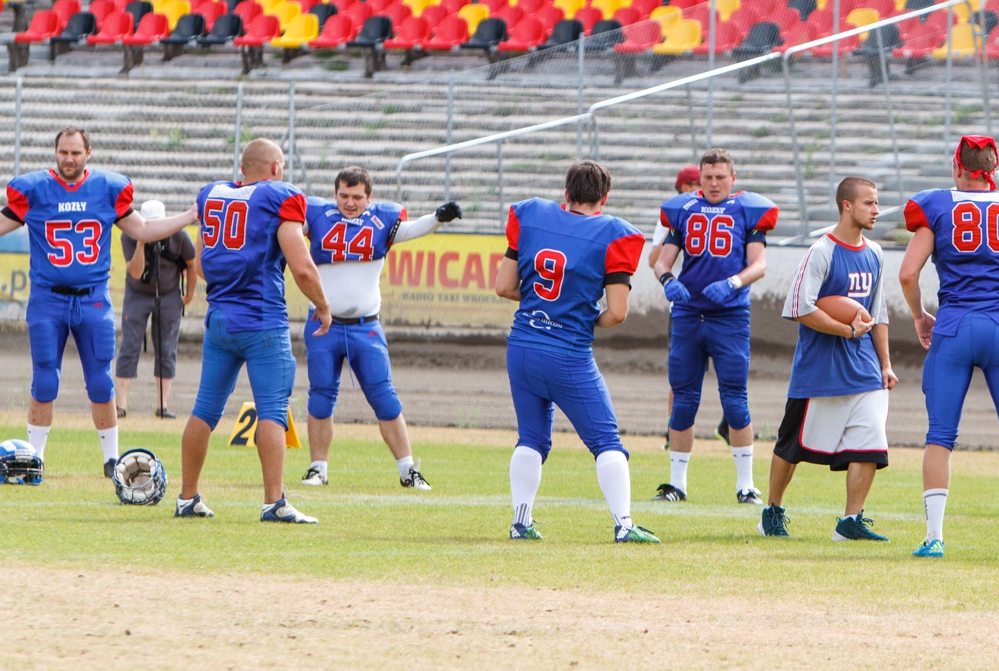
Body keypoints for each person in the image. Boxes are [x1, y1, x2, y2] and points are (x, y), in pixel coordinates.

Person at [898, 135, 999, 560]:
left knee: (940, 436)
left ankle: (934, 537)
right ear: (994, 168)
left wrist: (920, 316)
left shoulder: (935, 205)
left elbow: (906, 274)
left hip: (953, 326)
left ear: (958, 168)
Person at [0, 126, 197, 477]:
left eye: (76, 152)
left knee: (101, 382)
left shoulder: (107, 189)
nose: (69, 159)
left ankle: (111, 460)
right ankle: (36, 459)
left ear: (88, 153)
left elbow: (143, 230)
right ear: (55, 152)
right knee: (45, 379)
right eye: (63, 152)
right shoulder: (35, 190)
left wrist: (188, 216)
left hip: (93, 300)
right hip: (47, 300)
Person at [493, 159, 655, 543]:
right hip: (567, 352)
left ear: (566, 193)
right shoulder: (614, 234)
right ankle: (624, 524)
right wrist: (583, 318)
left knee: (530, 438)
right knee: (606, 442)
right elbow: (616, 312)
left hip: (522, 345)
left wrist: (540, 305)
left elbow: (503, 286)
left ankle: (521, 522)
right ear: (605, 197)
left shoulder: (531, 214)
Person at [173, 138, 332, 523]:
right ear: (276, 167)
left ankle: (187, 497)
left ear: (244, 168)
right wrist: (324, 308)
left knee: (205, 408)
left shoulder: (213, 194)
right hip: (261, 320)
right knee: (273, 409)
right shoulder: (279, 196)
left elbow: (202, 265)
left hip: (220, 319)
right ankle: (273, 502)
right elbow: (303, 267)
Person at [297, 166, 462, 490]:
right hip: (322, 325)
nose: (350, 202)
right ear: (335, 193)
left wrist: (439, 217)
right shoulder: (316, 215)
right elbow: (288, 227)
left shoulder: (381, 220)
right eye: (344, 195)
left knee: (384, 397)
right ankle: (318, 468)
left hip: (365, 326)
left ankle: (407, 469)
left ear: (369, 198)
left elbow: (413, 229)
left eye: (357, 197)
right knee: (320, 397)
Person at [762, 176, 897, 542]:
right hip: (820, 371)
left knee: (870, 442)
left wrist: (885, 363)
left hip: (865, 370)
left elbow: (877, 312)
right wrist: (846, 330)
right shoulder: (822, 251)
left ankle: (851, 521)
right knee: (791, 446)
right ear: (846, 206)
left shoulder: (876, 253)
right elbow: (800, 308)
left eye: (877, 202)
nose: (876, 210)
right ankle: (772, 510)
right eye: (869, 203)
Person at [651, 148, 779, 505]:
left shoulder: (747, 211)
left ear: (732, 179)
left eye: (720, 176)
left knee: (735, 400)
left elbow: (759, 265)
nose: (713, 183)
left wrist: (734, 284)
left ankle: (746, 485)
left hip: (729, 316)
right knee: (683, 400)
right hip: (689, 315)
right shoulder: (684, 210)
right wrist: (667, 281)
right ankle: (677, 484)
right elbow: (662, 261)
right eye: (707, 177)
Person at [647, 163, 731, 446]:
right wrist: (676, 230)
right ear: (686, 188)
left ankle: (729, 424)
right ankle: (673, 434)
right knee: (682, 379)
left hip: (723, 307)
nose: (710, 186)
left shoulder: (727, 210)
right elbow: (653, 261)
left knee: (731, 375)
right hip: (686, 306)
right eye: (702, 181)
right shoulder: (678, 212)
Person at [114, 198, 198, 419]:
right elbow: (134, 272)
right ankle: (120, 405)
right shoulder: (129, 236)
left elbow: (191, 262)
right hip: (138, 293)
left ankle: (163, 405)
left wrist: (188, 294)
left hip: (169, 294)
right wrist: (142, 242)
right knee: (130, 345)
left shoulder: (178, 235)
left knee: (167, 348)